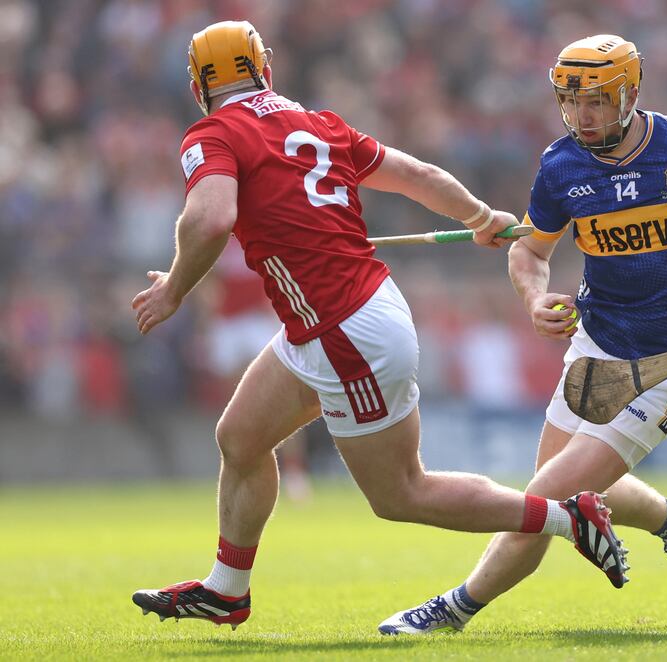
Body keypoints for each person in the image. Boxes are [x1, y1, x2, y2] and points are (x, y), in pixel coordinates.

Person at [129, 21, 628, 631]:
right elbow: (419, 174)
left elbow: (209, 220)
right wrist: (480, 216)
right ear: (263, 66)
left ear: (200, 83)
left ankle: (567, 518)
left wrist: (175, 289)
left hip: (346, 332)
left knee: (401, 495)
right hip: (334, 321)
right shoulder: (319, 123)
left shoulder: (211, 133)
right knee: (239, 438)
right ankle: (227, 590)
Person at [380, 34, 667, 635]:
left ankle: (453, 609)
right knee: (564, 489)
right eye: (572, 101)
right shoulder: (561, 167)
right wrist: (534, 298)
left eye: (598, 101)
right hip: (595, 345)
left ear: (631, 93)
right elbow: (529, 252)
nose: (583, 115)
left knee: (546, 494)